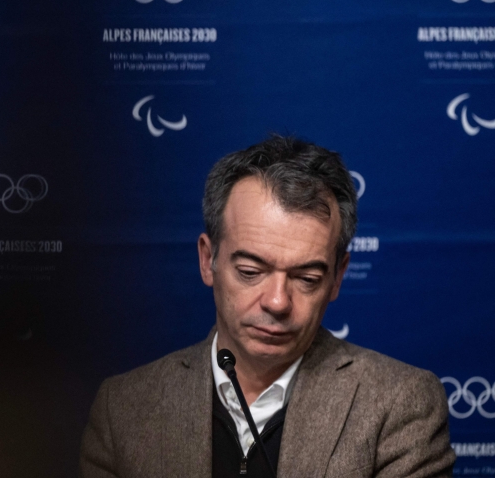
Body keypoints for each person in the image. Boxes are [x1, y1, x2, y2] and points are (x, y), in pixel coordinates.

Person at [80, 135, 455, 478]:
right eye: (250, 271)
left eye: (307, 278)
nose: (277, 302)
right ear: (207, 260)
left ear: (338, 277)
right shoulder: (123, 408)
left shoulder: (400, 405)